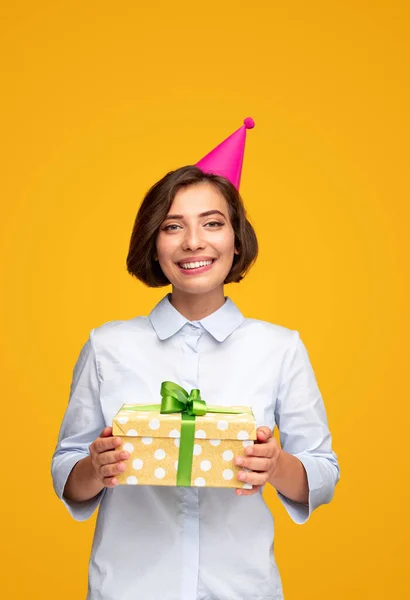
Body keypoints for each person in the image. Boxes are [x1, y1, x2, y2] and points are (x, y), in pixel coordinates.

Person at [51, 118, 340, 600]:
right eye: (172, 226)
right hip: (127, 588)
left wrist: (275, 465)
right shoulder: (108, 346)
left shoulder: (279, 348)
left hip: (242, 588)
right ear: (154, 243)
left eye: (212, 223)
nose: (193, 242)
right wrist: (93, 468)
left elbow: (323, 473)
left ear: (235, 238)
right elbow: (68, 469)